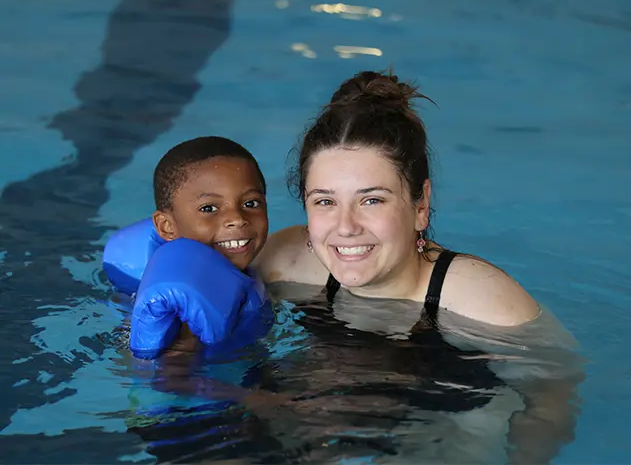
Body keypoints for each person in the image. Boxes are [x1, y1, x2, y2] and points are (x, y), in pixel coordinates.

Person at [249, 70, 583, 464]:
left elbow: (555, 392)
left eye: (372, 200)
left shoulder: (484, 302)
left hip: (443, 428)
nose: (346, 226)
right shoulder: (282, 263)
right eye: (325, 201)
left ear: (420, 204)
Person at [148, 135, 269, 353]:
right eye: (209, 208)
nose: (238, 219)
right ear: (166, 226)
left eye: (251, 203)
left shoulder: (259, 272)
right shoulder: (179, 309)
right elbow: (171, 381)